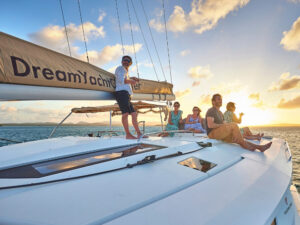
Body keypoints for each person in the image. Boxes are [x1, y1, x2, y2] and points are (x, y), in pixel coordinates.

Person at [205, 94, 272, 152]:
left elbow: (224, 124)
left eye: (221, 99)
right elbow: (210, 125)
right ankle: (245, 146)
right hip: (212, 134)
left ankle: (260, 147)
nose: (221, 100)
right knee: (234, 125)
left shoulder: (220, 113)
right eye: (218, 99)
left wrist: (228, 128)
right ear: (213, 102)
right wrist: (224, 125)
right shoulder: (211, 110)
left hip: (220, 133)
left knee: (238, 138)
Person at [115, 55, 147, 139]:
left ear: (130, 63)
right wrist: (131, 81)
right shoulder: (120, 68)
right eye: (124, 60)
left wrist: (131, 78)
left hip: (126, 94)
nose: (126, 61)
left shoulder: (125, 71)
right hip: (121, 93)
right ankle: (128, 134)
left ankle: (139, 133)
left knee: (134, 113)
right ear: (122, 62)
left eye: (128, 61)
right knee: (125, 114)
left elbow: (124, 77)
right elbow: (121, 80)